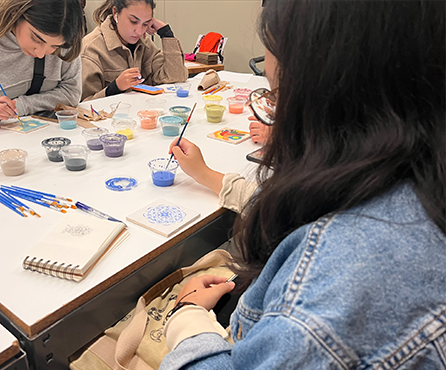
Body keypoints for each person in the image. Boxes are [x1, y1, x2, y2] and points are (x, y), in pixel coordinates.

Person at [160, 1, 446, 369]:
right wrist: (208, 176)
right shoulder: (412, 169)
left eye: (278, 96)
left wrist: (187, 322)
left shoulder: (337, 282)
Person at [80, 0, 188, 102]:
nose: (139, 31)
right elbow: (83, 106)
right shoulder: (91, 49)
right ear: (115, 13)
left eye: (145, 23)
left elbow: (176, 77)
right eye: (133, 21)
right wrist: (115, 88)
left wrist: (166, 33)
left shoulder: (144, 43)